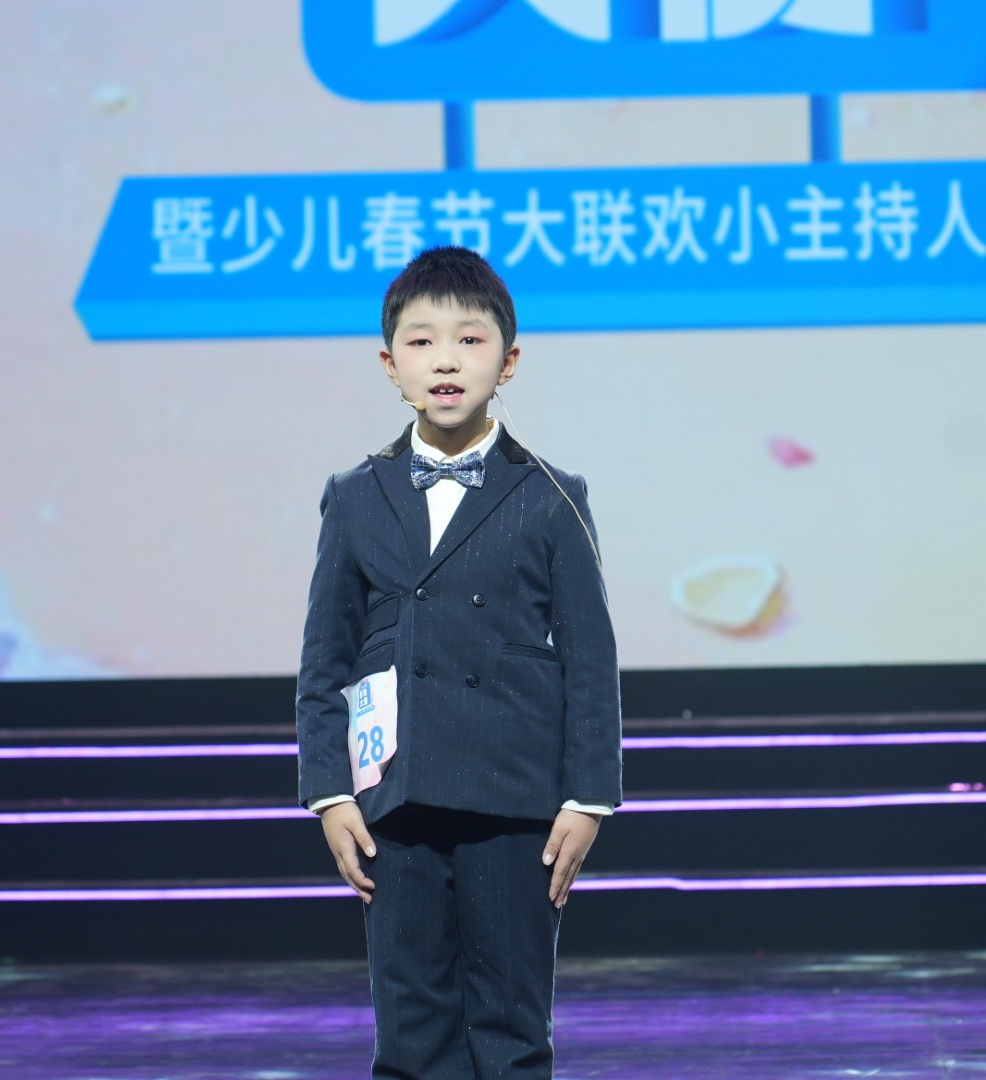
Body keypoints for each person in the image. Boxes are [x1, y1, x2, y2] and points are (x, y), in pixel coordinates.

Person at [296, 245, 623, 1078]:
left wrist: (588, 796)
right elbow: (325, 656)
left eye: (470, 340)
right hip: (394, 797)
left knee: (512, 1027)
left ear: (508, 361)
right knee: (410, 1031)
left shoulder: (552, 494)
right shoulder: (356, 494)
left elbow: (591, 657)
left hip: (515, 799)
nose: (446, 360)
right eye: (422, 341)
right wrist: (329, 791)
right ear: (390, 364)